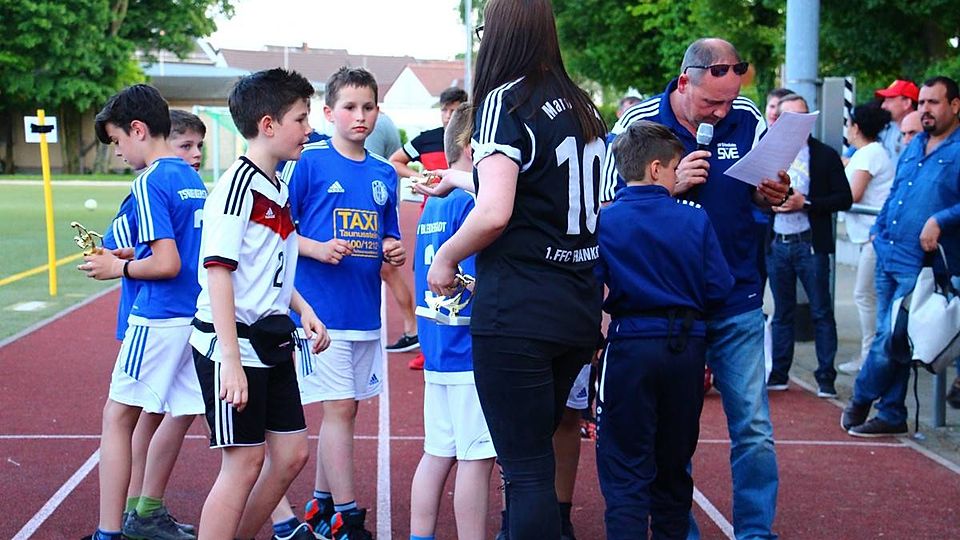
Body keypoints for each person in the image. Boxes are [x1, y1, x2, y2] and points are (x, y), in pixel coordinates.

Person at [423, 1, 607, 537]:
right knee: (537, 462)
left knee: (524, 471)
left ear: (498, 33)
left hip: (520, 308)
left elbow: (495, 211)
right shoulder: (585, 106)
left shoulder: (505, 100)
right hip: (576, 304)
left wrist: (446, 256)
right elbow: (536, 191)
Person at [601, 38, 790, 539]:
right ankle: (677, 530)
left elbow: (764, 190)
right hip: (668, 308)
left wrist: (773, 194)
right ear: (685, 81)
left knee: (753, 426)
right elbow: (607, 202)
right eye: (711, 102)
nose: (721, 112)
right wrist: (669, 186)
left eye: (729, 102)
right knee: (670, 431)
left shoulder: (748, 116)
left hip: (736, 294)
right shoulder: (638, 120)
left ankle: (755, 532)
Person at [189, 68, 330, 540]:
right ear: (268, 125)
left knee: (291, 454)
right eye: (300, 118)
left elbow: (271, 265)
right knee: (245, 462)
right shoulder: (237, 188)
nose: (308, 129)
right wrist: (230, 361)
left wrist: (303, 309)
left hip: (270, 340)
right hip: (232, 344)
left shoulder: (277, 186)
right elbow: (218, 272)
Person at [81, 84, 208, 540]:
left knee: (118, 418)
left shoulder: (149, 181)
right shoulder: (192, 179)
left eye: (117, 140)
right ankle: (146, 513)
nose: (118, 151)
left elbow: (167, 263)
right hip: (192, 316)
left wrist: (117, 267)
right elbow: (183, 251)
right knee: (173, 415)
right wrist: (132, 253)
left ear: (137, 130)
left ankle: (109, 532)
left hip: (158, 317)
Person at [597, 119, 733, 539]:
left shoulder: (605, 220)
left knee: (625, 466)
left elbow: (591, 285)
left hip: (630, 344)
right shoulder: (694, 218)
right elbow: (719, 287)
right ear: (656, 169)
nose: (677, 177)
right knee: (673, 465)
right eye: (675, 169)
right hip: (685, 347)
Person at [286, 66, 405, 540]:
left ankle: (320, 503)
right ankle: (348, 518)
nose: (360, 116)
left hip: (364, 312)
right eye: (350, 107)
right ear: (328, 112)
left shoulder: (383, 172)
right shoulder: (308, 162)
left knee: (347, 410)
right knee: (338, 410)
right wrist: (317, 248)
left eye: (368, 107)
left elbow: (388, 231)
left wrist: (392, 247)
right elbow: (275, 232)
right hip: (320, 314)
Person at [842, 76, 960, 437]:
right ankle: (892, 412)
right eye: (921, 103)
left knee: (891, 337)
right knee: (892, 338)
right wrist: (879, 231)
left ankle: (862, 396)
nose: (925, 109)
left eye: (933, 102)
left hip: (922, 263)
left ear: (954, 106)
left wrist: (940, 220)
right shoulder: (915, 143)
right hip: (889, 250)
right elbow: (895, 191)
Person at [408, 102, 496, 540]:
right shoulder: (472, 201)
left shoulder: (434, 203)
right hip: (467, 348)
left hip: (438, 346)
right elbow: (477, 280)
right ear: (472, 148)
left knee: (437, 452)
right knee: (476, 460)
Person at [764, 94, 853, 397]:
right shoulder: (769, 153)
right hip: (777, 244)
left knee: (821, 312)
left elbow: (844, 198)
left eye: (804, 116)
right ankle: (779, 373)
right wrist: (768, 203)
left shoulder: (824, 155)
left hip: (810, 244)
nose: (799, 123)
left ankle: (826, 377)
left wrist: (806, 202)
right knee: (782, 312)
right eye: (791, 117)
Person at [388, 87, 469, 367]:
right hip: (433, 216)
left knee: (460, 278)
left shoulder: (469, 141)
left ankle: (453, 345)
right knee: (428, 278)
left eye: (454, 109)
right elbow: (396, 160)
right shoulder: (428, 139)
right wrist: (419, 175)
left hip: (463, 215)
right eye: (444, 109)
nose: (448, 115)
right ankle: (428, 346)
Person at [838, 103, 895, 374]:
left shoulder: (869, 155)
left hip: (874, 236)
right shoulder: (870, 153)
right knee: (870, 295)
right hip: (870, 236)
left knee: (864, 295)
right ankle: (872, 354)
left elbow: (853, 194)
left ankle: (870, 356)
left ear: (856, 128)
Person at [875, 79, 920, 161]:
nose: (883, 106)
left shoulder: (923, 132)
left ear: (907, 103)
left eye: (889, 101)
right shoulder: (884, 130)